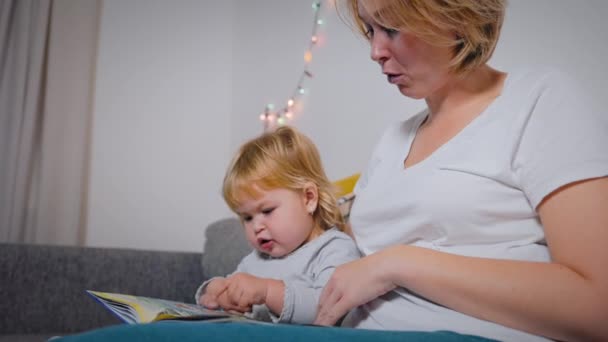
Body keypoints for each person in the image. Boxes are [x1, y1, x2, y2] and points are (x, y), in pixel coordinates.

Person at [313, 0, 608, 341]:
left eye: (391, 28)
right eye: (370, 30)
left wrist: (394, 265)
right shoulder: (392, 140)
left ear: (454, 19)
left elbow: (598, 306)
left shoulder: (538, 100)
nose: (375, 51)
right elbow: (343, 261)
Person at [195, 126, 360, 325]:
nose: (256, 227)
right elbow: (233, 288)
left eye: (267, 211)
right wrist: (216, 291)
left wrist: (266, 291)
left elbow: (328, 309)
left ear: (308, 198)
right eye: (247, 218)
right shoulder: (256, 260)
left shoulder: (334, 248)